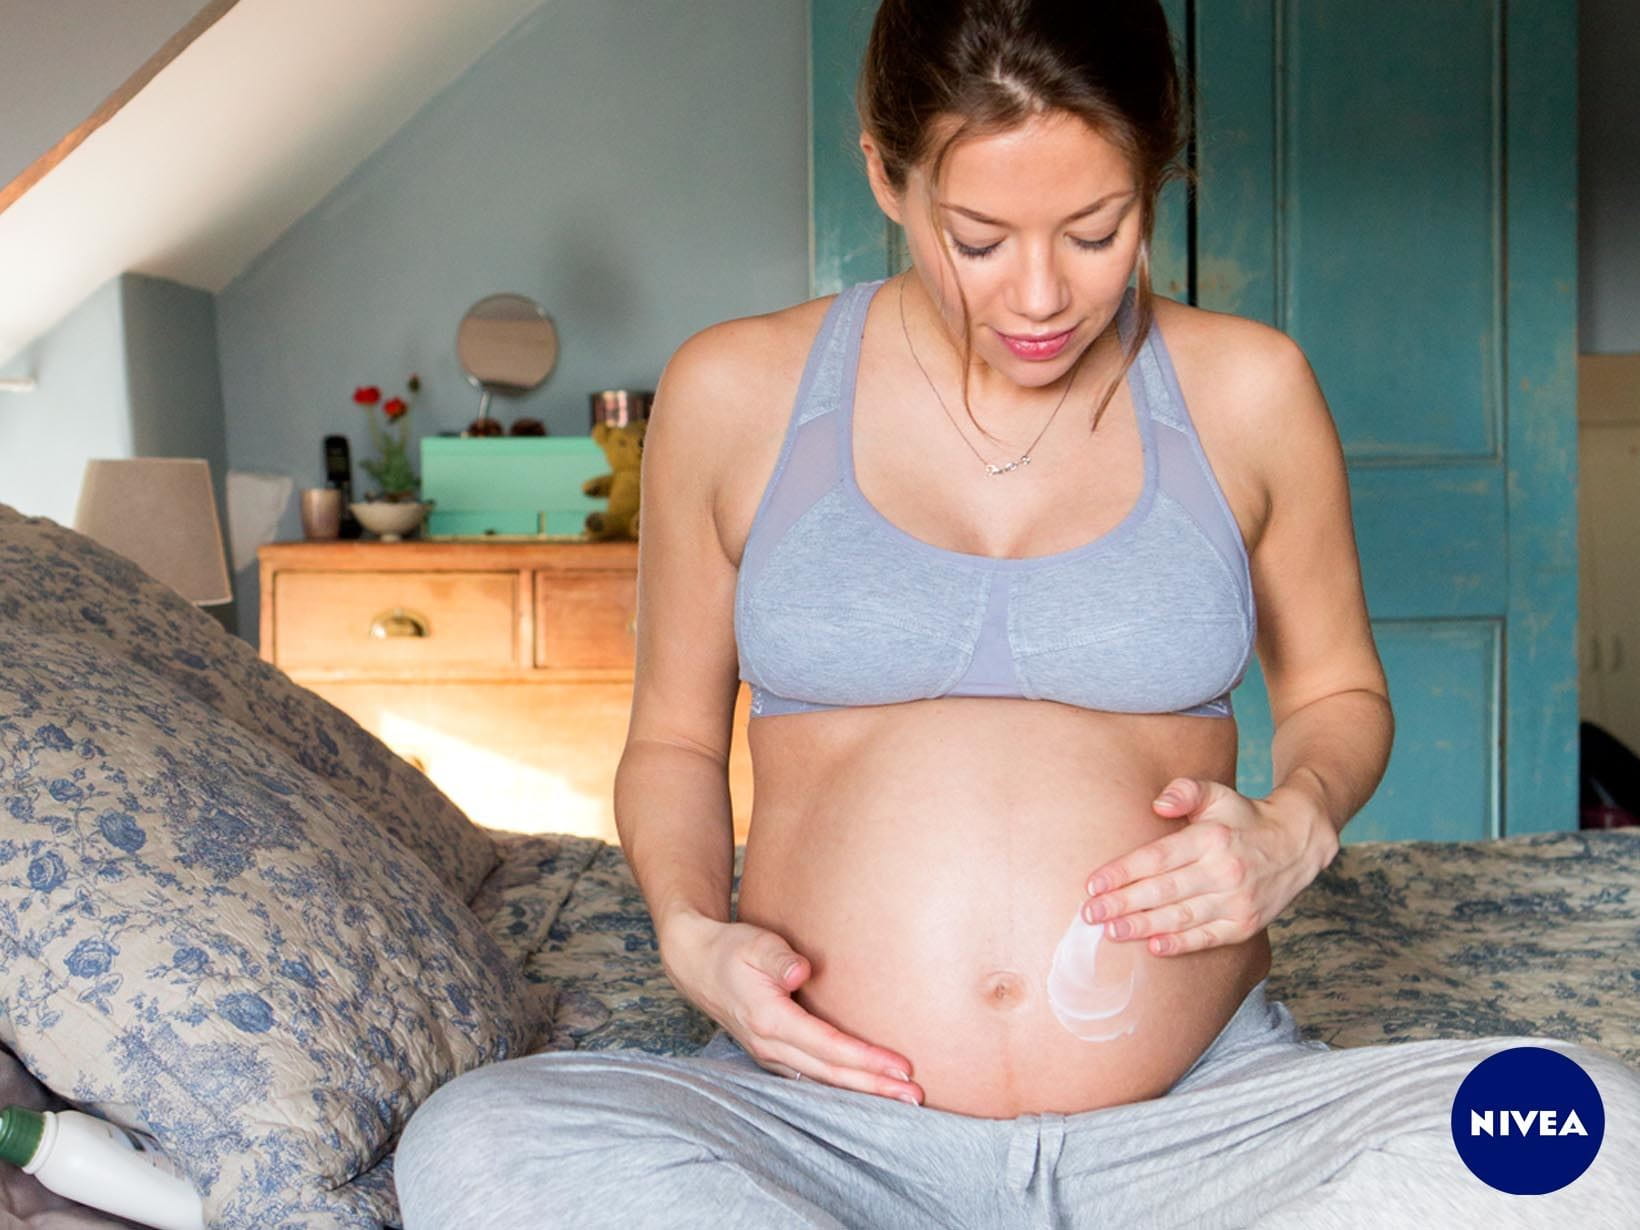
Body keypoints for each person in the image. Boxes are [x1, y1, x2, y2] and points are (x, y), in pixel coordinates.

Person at [396, 2, 1640, 1226]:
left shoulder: (1249, 388)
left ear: (1153, 179)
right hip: (819, 1123)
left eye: (1096, 232)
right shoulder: (735, 390)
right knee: (481, 1142)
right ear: (887, 174)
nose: (1039, 297)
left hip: (1205, 1116)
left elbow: (1335, 695)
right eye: (978, 239)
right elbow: (670, 740)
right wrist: (688, 935)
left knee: (1584, 1131)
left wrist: (1294, 826)